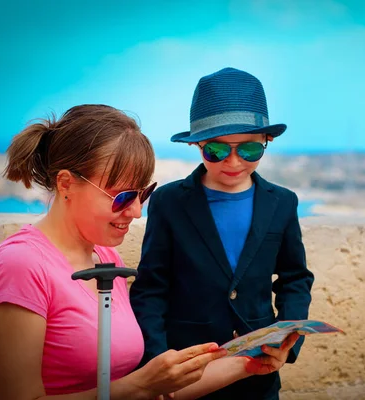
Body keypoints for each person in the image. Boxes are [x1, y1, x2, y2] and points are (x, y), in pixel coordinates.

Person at [0, 104, 283, 400]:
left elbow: (155, 390)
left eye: (142, 195)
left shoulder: (106, 259)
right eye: (122, 197)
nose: (136, 212)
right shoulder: (20, 266)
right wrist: (139, 386)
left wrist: (249, 361)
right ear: (66, 183)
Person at [129, 67, 315, 399]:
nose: (232, 161)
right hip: (187, 371)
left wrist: (287, 341)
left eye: (248, 150)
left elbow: (295, 279)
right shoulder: (169, 201)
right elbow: (150, 288)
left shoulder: (283, 203)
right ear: (198, 144)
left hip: (258, 375)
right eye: (216, 150)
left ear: (265, 142)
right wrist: (158, 359)